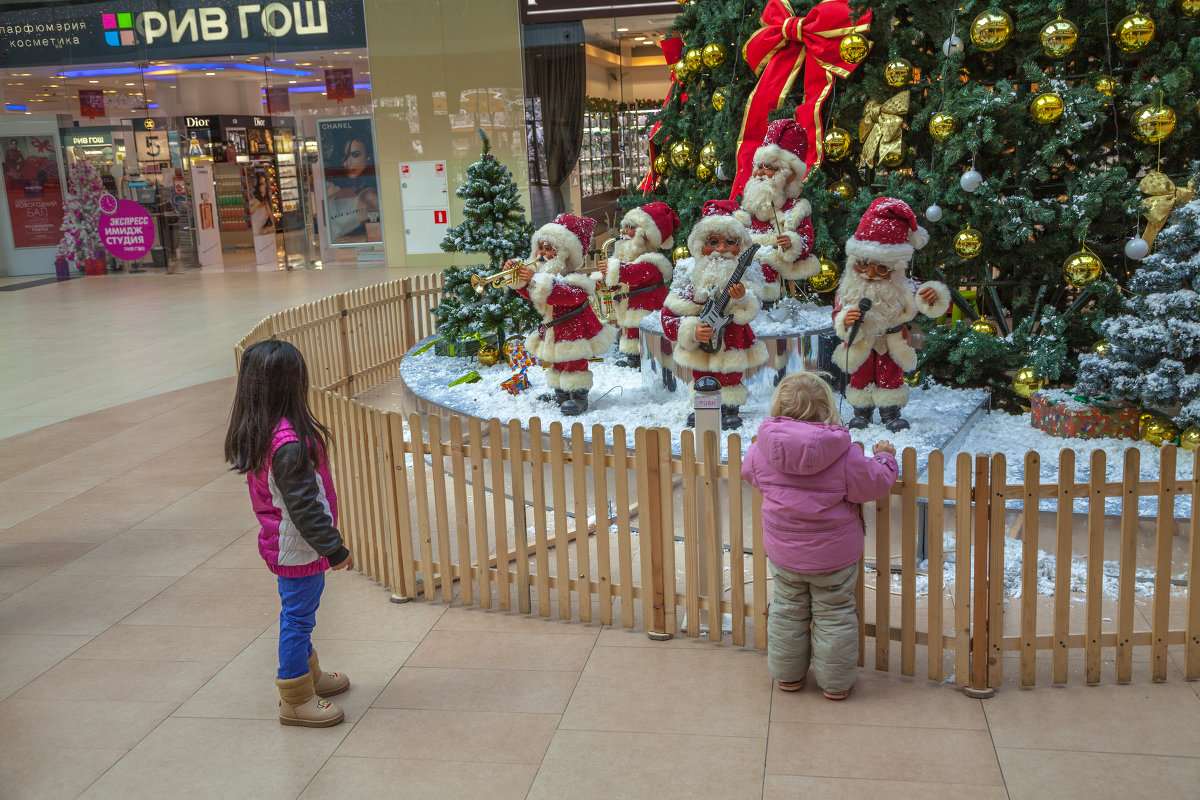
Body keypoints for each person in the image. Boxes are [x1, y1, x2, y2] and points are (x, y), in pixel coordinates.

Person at [740, 372, 898, 700]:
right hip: (833, 557)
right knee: (835, 614)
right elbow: (876, 483)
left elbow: (749, 473)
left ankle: (787, 676)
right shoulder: (844, 454)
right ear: (826, 407)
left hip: (784, 552)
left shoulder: (761, 449)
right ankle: (836, 685)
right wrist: (886, 457)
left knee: (787, 609)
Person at [224, 340, 354, 728]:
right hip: (299, 548)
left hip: (290, 544)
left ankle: (308, 675)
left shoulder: (266, 429)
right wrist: (334, 549)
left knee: (301, 614)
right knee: (298, 618)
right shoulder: (289, 445)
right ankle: (295, 697)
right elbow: (305, 508)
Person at [832, 197, 950, 431]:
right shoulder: (847, 290)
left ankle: (890, 411)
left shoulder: (902, 287)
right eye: (863, 264)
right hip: (861, 340)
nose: (870, 274)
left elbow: (922, 298)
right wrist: (844, 319)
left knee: (890, 375)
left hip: (892, 340)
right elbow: (837, 311)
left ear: (894, 268)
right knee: (861, 375)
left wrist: (931, 296)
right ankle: (861, 412)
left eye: (882, 268)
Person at [660, 199, 766, 430]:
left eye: (730, 242)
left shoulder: (748, 275)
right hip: (702, 341)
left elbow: (751, 308)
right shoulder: (689, 274)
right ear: (699, 245)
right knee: (702, 373)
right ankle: (704, 405)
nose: (721, 249)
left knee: (731, 375)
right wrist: (691, 330)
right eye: (713, 242)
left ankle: (730, 407)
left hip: (733, 338)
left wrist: (742, 299)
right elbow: (669, 314)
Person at [509, 212, 614, 415]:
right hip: (555, 330)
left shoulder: (576, 281)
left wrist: (534, 280)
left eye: (548, 249)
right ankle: (562, 394)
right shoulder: (543, 278)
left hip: (574, 331)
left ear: (564, 254)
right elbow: (535, 295)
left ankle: (579, 396)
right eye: (540, 247)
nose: (541, 254)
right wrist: (518, 280)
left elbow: (563, 296)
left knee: (574, 363)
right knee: (557, 362)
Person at [734, 119, 820, 308]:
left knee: (765, 266)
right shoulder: (750, 205)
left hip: (775, 263)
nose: (759, 173)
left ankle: (767, 303)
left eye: (769, 168)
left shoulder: (796, 209)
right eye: (759, 166)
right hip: (743, 262)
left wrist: (791, 243)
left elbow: (806, 238)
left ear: (788, 174)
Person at [605, 201, 680, 369]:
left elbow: (633, 275)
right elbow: (625, 277)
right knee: (633, 332)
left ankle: (647, 359)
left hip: (648, 309)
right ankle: (633, 358)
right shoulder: (630, 260)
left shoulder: (653, 261)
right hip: (633, 307)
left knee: (645, 334)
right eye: (624, 227)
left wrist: (613, 268)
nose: (623, 232)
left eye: (630, 227)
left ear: (644, 234)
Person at [249, 170, 276, 235]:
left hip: (257, 236)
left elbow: (274, 226)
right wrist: (259, 200)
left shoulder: (267, 205)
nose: (263, 187)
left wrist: (267, 229)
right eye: (261, 184)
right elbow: (248, 213)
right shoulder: (254, 201)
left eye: (264, 184)